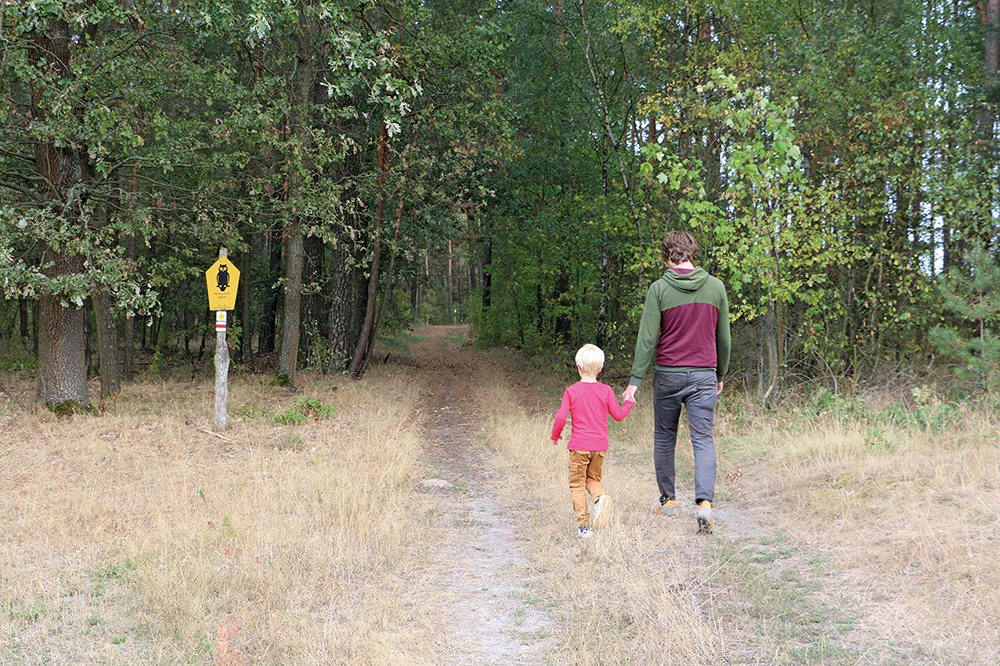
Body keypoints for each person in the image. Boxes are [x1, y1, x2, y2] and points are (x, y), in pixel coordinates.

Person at [623, 230, 730, 534]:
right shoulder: (716, 287)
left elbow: (647, 339)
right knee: (703, 439)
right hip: (703, 375)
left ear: (668, 256)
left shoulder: (659, 289)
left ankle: (668, 501)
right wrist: (720, 373)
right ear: (693, 254)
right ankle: (705, 505)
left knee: (665, 436)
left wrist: (634, 381)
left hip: (668, 375)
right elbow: (724, 338)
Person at [551, 344, 636, 538]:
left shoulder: (571, 391)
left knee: (577, 485)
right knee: (593, 479)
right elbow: (619, 415)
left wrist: (555, 436)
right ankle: (600, 498)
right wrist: (629, 402)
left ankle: (584, 526)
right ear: (601, 367)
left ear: (578, 366)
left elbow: (561, 417)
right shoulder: (605, 390)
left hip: (579, 447)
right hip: (599, 447)